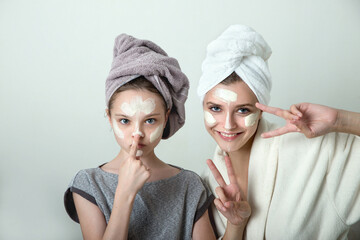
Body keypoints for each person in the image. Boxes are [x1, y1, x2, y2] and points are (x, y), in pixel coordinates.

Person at [198, 25, 360, 239]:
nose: (228, 125)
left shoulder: (316, 151)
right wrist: (235, 227)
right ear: (203, 106)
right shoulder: (204, 186)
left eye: (243, 110)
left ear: (261, 111)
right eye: (215, 108)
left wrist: (340, 120)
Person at [64, 34, 216, 240]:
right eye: (125, 121)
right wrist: (125, 194)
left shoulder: (190, 185)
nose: (138, 134)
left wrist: (236, 225)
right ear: (109, 117)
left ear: (166, 116)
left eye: (150, 120)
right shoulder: (90, 183)